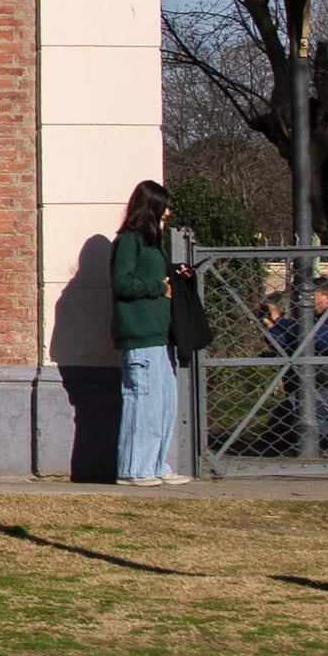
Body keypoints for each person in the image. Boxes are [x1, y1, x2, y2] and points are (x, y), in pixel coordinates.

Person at [108, 180, 184, 485]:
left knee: (164, 403)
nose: (168, 212)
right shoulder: (128, 241)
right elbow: (122, 282)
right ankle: (134, 468)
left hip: (159, 334)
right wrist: (157, 287)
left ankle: (156, 465)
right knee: (143, 401)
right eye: (163, 206)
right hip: (140, 335)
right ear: (151, 207)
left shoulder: (152, 243)